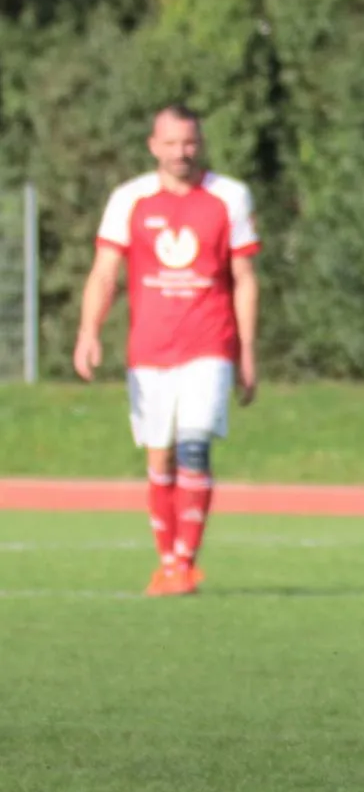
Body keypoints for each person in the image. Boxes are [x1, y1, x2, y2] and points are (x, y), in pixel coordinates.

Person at [72, 105, 261, 597]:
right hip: (149, 350)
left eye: (190, 142)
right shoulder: (129, 199)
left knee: (194, 446)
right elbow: (104, 271)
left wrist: (246, 350)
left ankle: (184, 565)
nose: (182, 152)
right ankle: (167, 562)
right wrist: (89, 331)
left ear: (201, 143)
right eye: (172, 143)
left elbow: (243, 278)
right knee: (160, 460)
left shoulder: (229, 196)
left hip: (210, 343)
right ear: (153, 146)